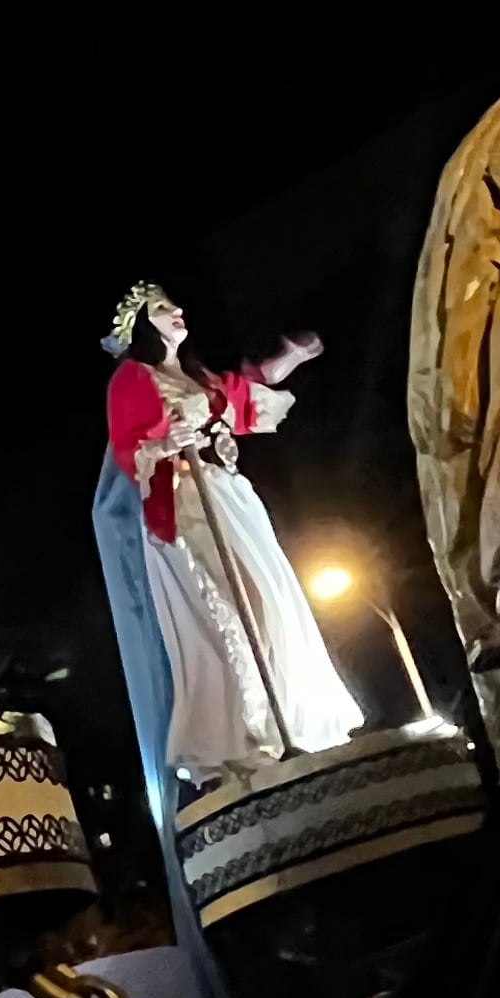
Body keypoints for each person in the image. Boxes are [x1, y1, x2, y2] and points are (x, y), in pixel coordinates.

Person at [95, 281, 362, 785]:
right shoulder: (133, 377)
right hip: (183, 504)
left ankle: (290, 723)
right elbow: (130, 447)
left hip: (229, 498)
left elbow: (244, 397)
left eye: (175, 304)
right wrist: (163, 441)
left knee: (272, 603)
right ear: (141, 326)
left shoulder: (197, 377)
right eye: (162, 308)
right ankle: (248, 738)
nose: (176, 311)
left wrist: (292, 357)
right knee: (229, 615)